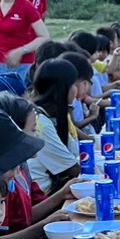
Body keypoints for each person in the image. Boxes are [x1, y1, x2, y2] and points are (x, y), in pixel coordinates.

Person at [0, 93, 73, 239]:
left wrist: (61, 195)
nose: (36, 136)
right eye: (33, 130)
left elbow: (23, 217)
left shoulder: (20, 169)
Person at [28, 59, 82, 195]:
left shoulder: (53, 115)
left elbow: (74, 152)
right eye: (74, 84)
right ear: (63, 88)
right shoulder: (39, 122)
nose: (77, 89)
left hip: (56, 187)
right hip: (44, 196)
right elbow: (72, 168)